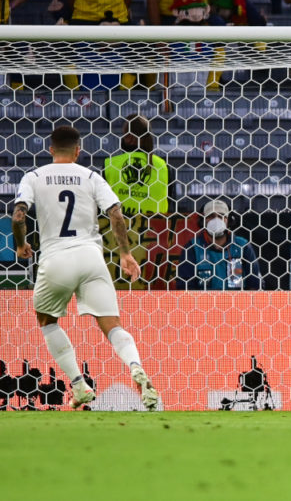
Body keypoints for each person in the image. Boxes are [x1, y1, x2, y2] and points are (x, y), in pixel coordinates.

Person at [11, 126, 159, 411]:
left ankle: (79, 385)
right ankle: (136, 367)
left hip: (55, 258)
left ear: (50, 149)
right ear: (79, 151)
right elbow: (115, 213)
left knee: (48, 321)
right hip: (92, 258)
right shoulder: (92, 177)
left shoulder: (33, 177)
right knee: (112, 324)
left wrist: (20, 245)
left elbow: (18, 215)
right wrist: (126, 254)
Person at [177, 199, 263, 290]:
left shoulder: (242, 246)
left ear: (229, 220)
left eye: (221, 216)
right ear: (203, 221)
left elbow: (256, 284)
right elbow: (185, 287)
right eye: (211, 216)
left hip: (238, 302)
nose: (216, 220)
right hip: (204, 303)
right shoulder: (192, 248)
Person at [104, 114, 169, 216]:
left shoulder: (110, 164)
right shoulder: (164, 166)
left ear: (129, 137)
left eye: (124, 134)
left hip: (117, 228)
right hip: (156, 229)